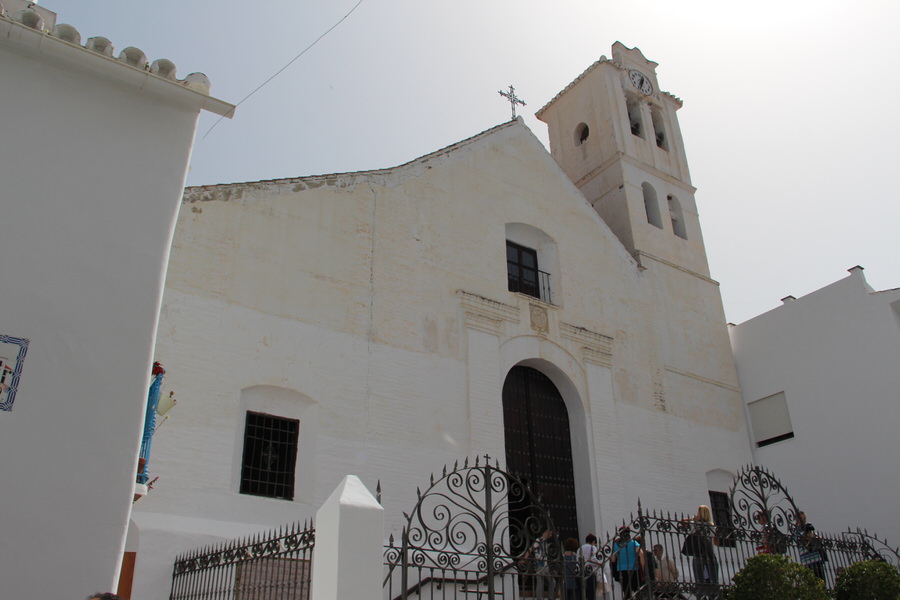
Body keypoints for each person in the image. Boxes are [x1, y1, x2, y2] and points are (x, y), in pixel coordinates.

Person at [685, 505, 718, 600]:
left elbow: (682, 521)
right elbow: (715, 541)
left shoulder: (694, 524)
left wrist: (693, 518)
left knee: (699, 582)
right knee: (712, 581)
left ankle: (702, 597)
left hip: (698, 554)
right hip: (710, 554)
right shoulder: (712, 526)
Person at [611, 526, 643, 599]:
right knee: (636, 589)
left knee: (626, 591)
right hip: (634, 569)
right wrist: (643, 568)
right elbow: (641, 555)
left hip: (621, 570)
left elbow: (613, 559)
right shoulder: (634, 543)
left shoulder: (616, 545)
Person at [796, 512, 827, 581]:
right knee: (811, 582)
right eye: (801, 518)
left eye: (804, 519)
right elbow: (803, 538)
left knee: (821, 581)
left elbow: (817, 537)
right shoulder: (796, 531)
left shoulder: (810, 528)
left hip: (817, 559)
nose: (803, 521)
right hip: (807, 561)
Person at [579, 534, 602, 600]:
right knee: (591, 592)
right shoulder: (592, 548)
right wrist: (599, 564)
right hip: (590, 571)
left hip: (580, 571)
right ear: (594, 541)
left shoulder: (580, 548)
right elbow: (593, 559)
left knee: (582, 592)